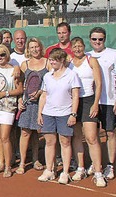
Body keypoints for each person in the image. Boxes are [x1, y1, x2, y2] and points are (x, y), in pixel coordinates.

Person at [86, 27, 116, 181]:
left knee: (110, 133)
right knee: (93, 135)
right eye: (94, 39)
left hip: (110, 101)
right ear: (90, 39)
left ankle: (110, 165)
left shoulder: (114, 54)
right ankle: (96, 163)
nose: (97, 42)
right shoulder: (87, 56)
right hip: (91, 102)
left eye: (100, 39)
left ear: (104, 40)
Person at [37, 48, 81, 184]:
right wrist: (40, 113)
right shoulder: (47, 76)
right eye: (50, 60)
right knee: (49, 142)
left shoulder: (71, 75)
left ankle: (65, 172)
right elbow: (44, 95)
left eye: (54, 60)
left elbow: (75, 96)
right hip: (48, 113)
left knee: (65, 142)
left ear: (62, 60)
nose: (51, 62)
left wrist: (73, 114)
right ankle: (49, 170)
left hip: (65, 113)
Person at [68, 37, 106, 187]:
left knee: (91, 138)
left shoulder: (91, 60)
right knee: (77, 136)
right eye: (75, 47)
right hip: (73, 103)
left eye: (80, 46)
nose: (77, 49)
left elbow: (99, 83)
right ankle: (80, 168)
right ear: (71, 48)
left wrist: (96, 103)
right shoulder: (69, 63)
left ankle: (98, 172)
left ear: (84, 47)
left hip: (89, 100)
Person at [0, 45, 23, 178]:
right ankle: (1, 163)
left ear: (7, 55)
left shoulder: (14, 70)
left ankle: (8, 166)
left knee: (5, 137)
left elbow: (20, 90)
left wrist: (5, 93)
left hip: (8, 106)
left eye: (2, 55)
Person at [15, 37, 48, 174]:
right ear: (28, 49)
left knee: (36, 133)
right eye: (32, 47)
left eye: (37, 46)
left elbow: (52, 81)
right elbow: (20, 84)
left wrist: (40, 92)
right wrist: (19, 100)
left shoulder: (48, 63)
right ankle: (22, 163)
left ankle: (36, 160)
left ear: (41, 47)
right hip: (27, 104)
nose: (35, 49)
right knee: (25, 132)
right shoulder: (24, 64)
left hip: (43, 103)